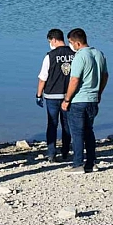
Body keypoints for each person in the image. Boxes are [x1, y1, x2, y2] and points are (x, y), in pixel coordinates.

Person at [61, 28, 109, 174]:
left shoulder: (80, 56)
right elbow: (105, 75)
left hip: (78, 100)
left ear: (77, 42)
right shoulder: (99, 54)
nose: (70, 46)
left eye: (70, 43)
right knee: (89, 132)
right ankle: (91, 162)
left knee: (77, 133)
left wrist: (67, 99)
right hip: (93, 99)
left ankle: (77, 164)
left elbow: (74, 79)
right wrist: (99, 93)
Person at [36, 29, 76, 162]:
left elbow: (43, 78)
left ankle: (51, 154)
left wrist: (38, 94)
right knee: (67, 124)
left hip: (52, 95)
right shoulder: (74, 54)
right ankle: (65, 152)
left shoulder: (50, 56)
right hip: (68, 96)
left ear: (53, 40)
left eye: (49, 41)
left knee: (52, 124)